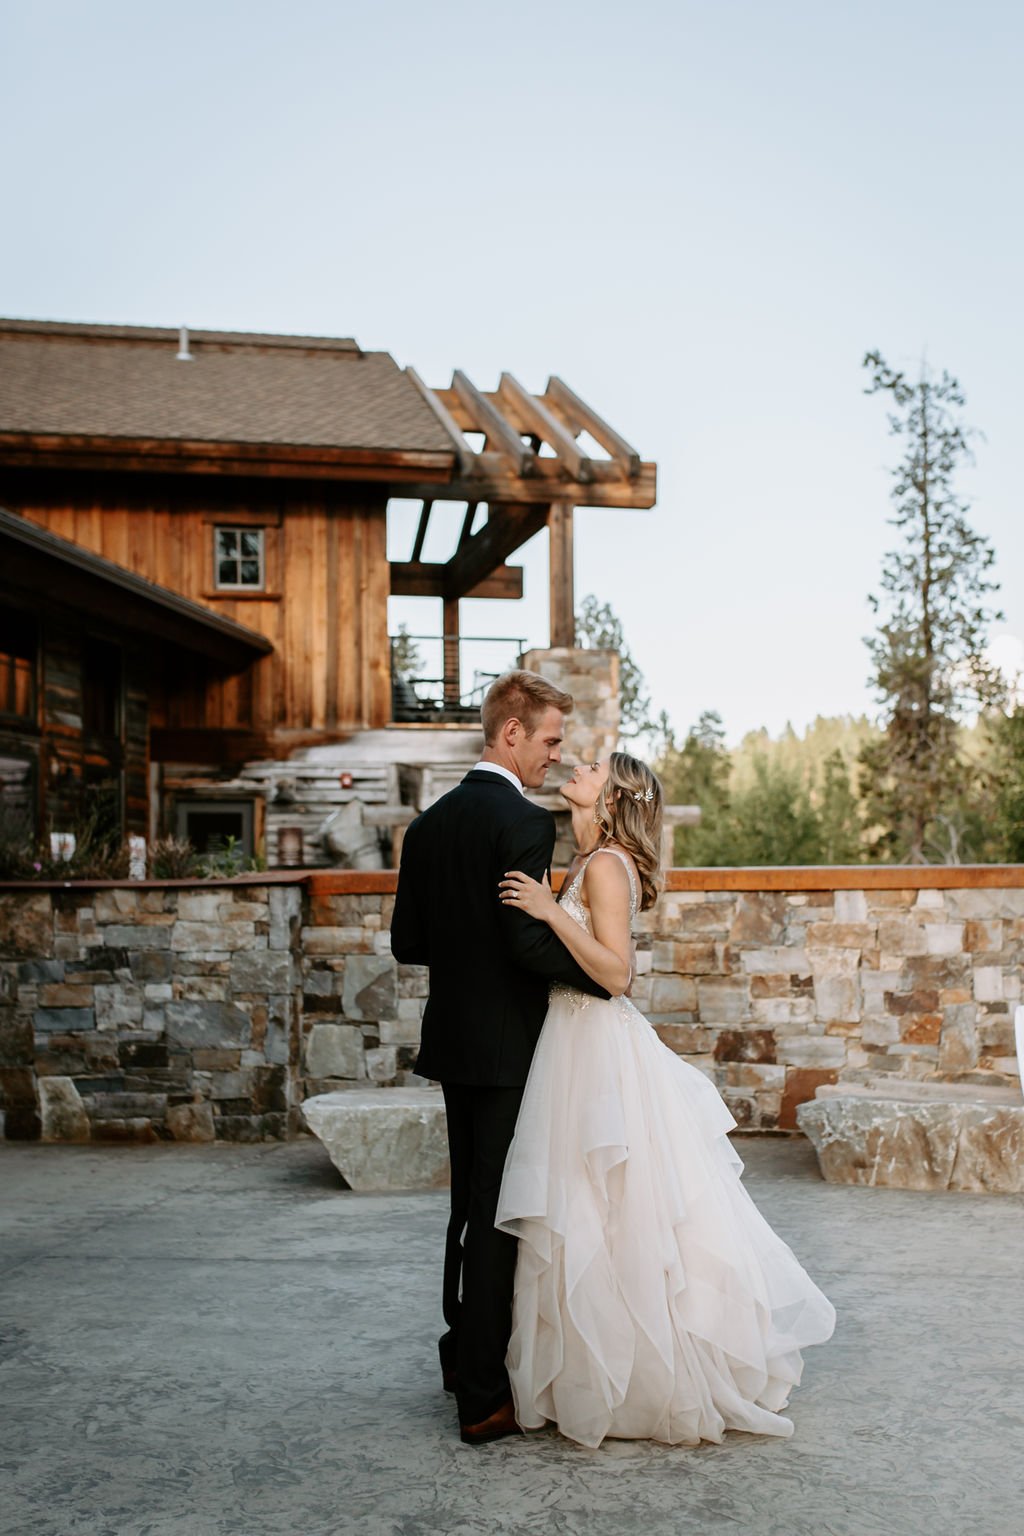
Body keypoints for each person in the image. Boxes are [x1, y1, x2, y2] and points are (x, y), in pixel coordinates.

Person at [496, 752, 836, 1449]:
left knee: (607, 1203)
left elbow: (616, 974)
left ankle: (637, 1379)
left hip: (594, 1039)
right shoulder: (589, 857)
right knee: (588, 1206)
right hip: (569, 1038)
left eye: (593, 765)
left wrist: (546, 913)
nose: (577, 764)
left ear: (614, 797)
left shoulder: (605, 866)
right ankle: (592, 1371)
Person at [390, 670, 611, 1446]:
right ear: (510, 732)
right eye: (550, 740)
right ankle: (482, 1397)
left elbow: (407, 943)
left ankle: (460, 1353)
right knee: (498, 1217)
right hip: (512, 1048)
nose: (555, 756)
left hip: (452, 1040)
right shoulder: (521, 821)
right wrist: (601, 982)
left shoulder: (427, 825)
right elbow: (525, 941)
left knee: (467, 1211)